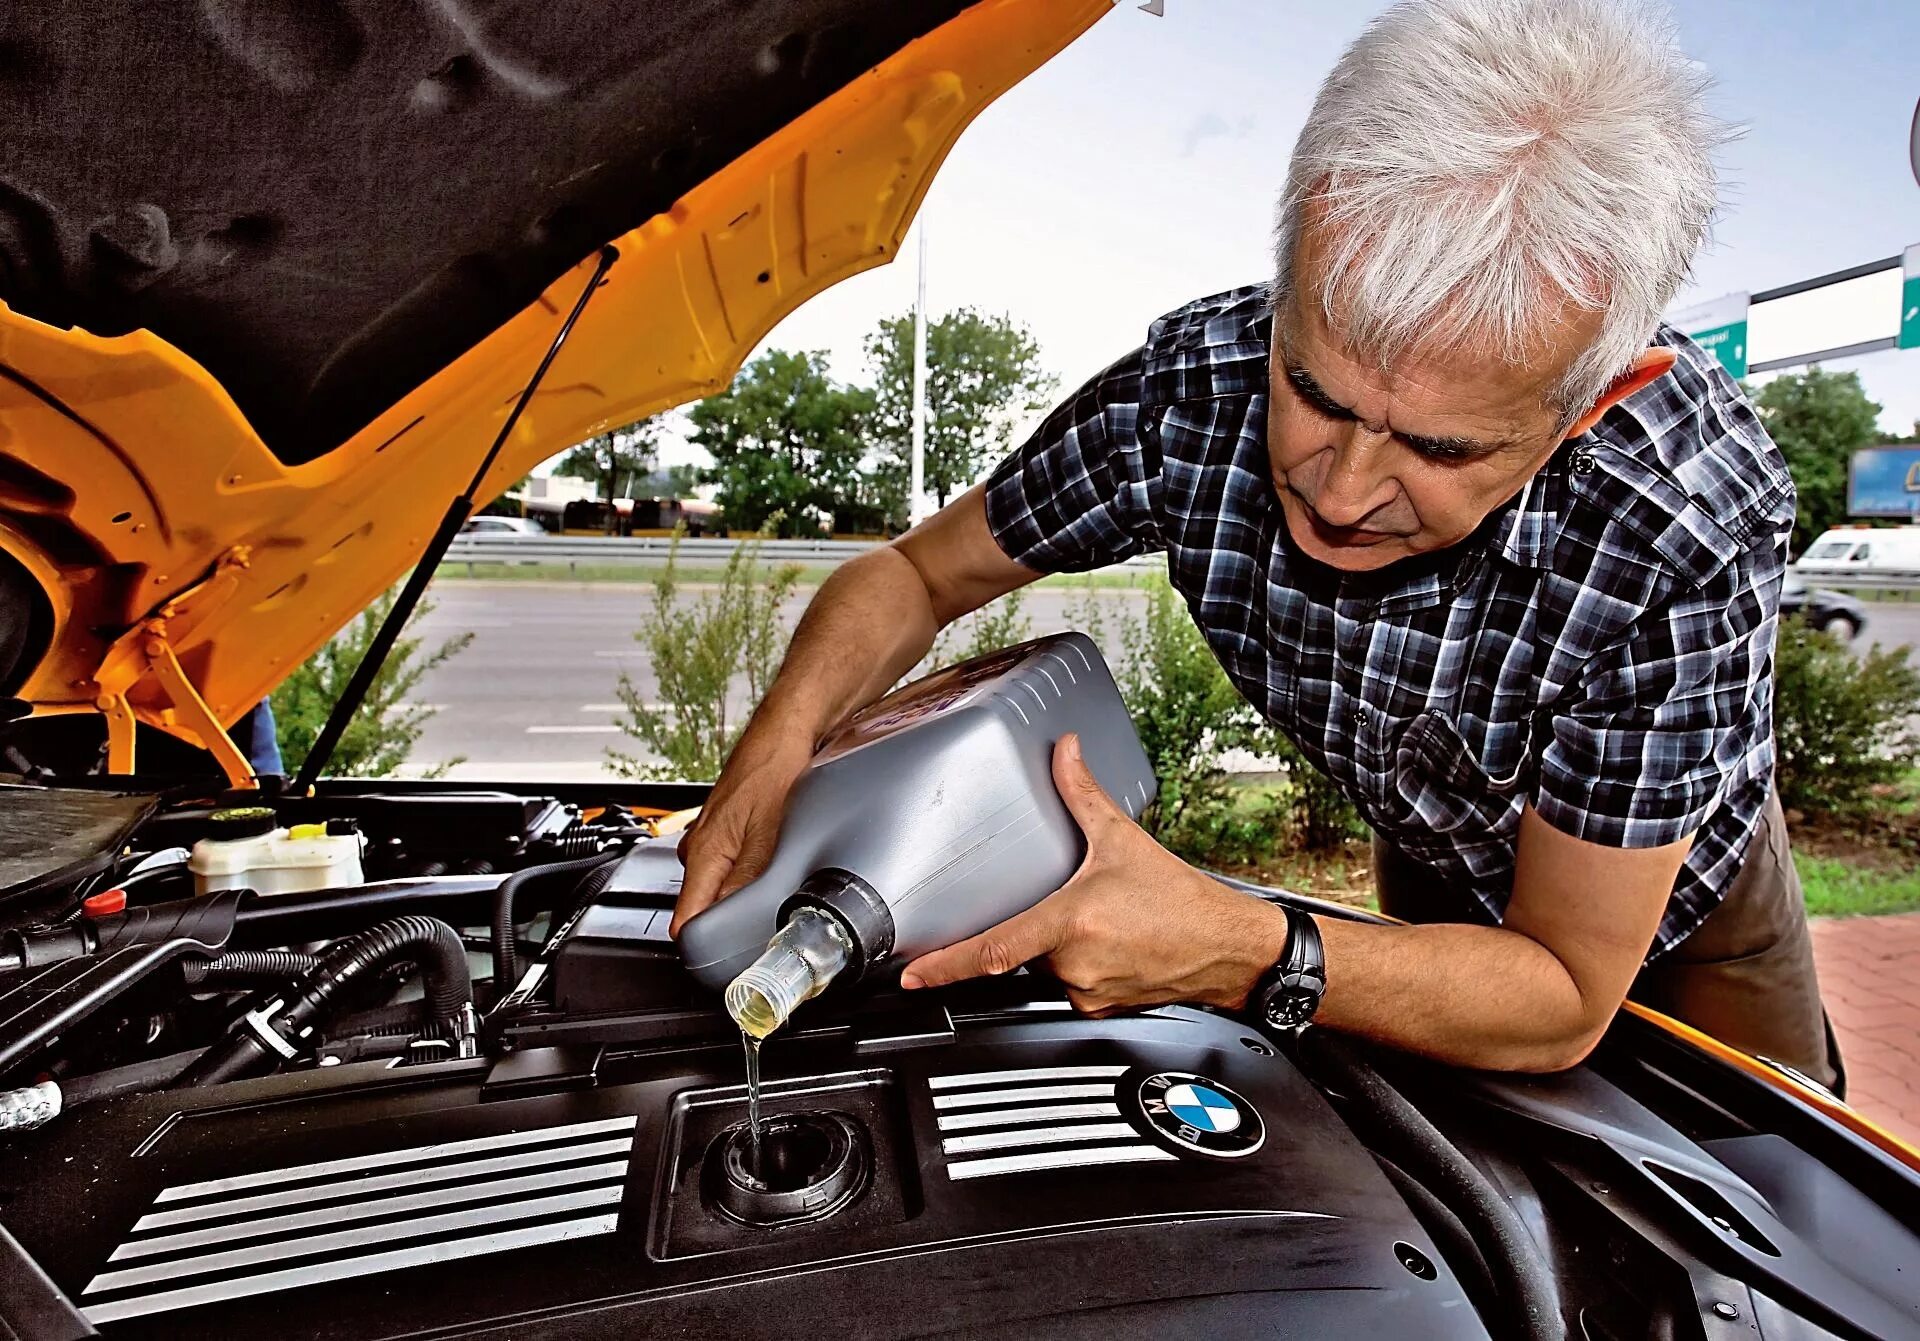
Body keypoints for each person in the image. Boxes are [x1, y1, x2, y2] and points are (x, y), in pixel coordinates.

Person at [672, 0, 1843, 1090]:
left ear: (1590, 402)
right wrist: (777, 751)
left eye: (1440, 451)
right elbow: (914, 574)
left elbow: (1565, 993)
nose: (1340, 491)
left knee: (1780, 1204)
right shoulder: (1193, 395)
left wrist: (1238, 946)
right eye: (1314, 390)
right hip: (1429, 849)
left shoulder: (1676, 517)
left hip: (1688, 914)